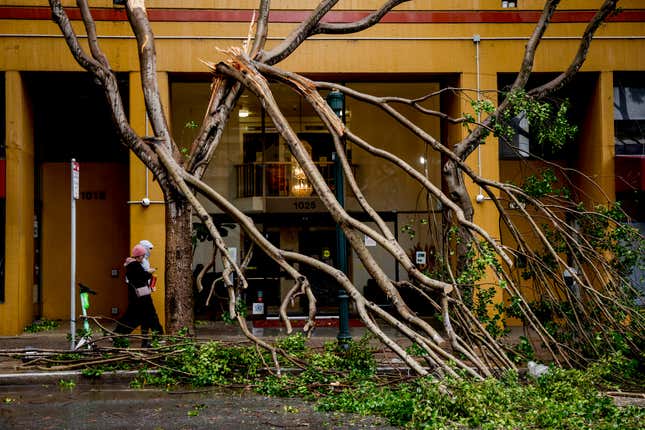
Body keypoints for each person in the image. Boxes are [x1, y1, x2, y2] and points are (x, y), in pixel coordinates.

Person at [114, 244, 163, 347]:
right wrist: (149, 272)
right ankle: (154, 338)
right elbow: (142, 277)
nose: (144, 257)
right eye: (143, 255)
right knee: (149, 317)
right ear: (139, 256)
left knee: (140, 318)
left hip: (137, 297)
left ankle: (122, 335)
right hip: (142, 297)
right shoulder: (135, 265)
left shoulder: (131, 265)